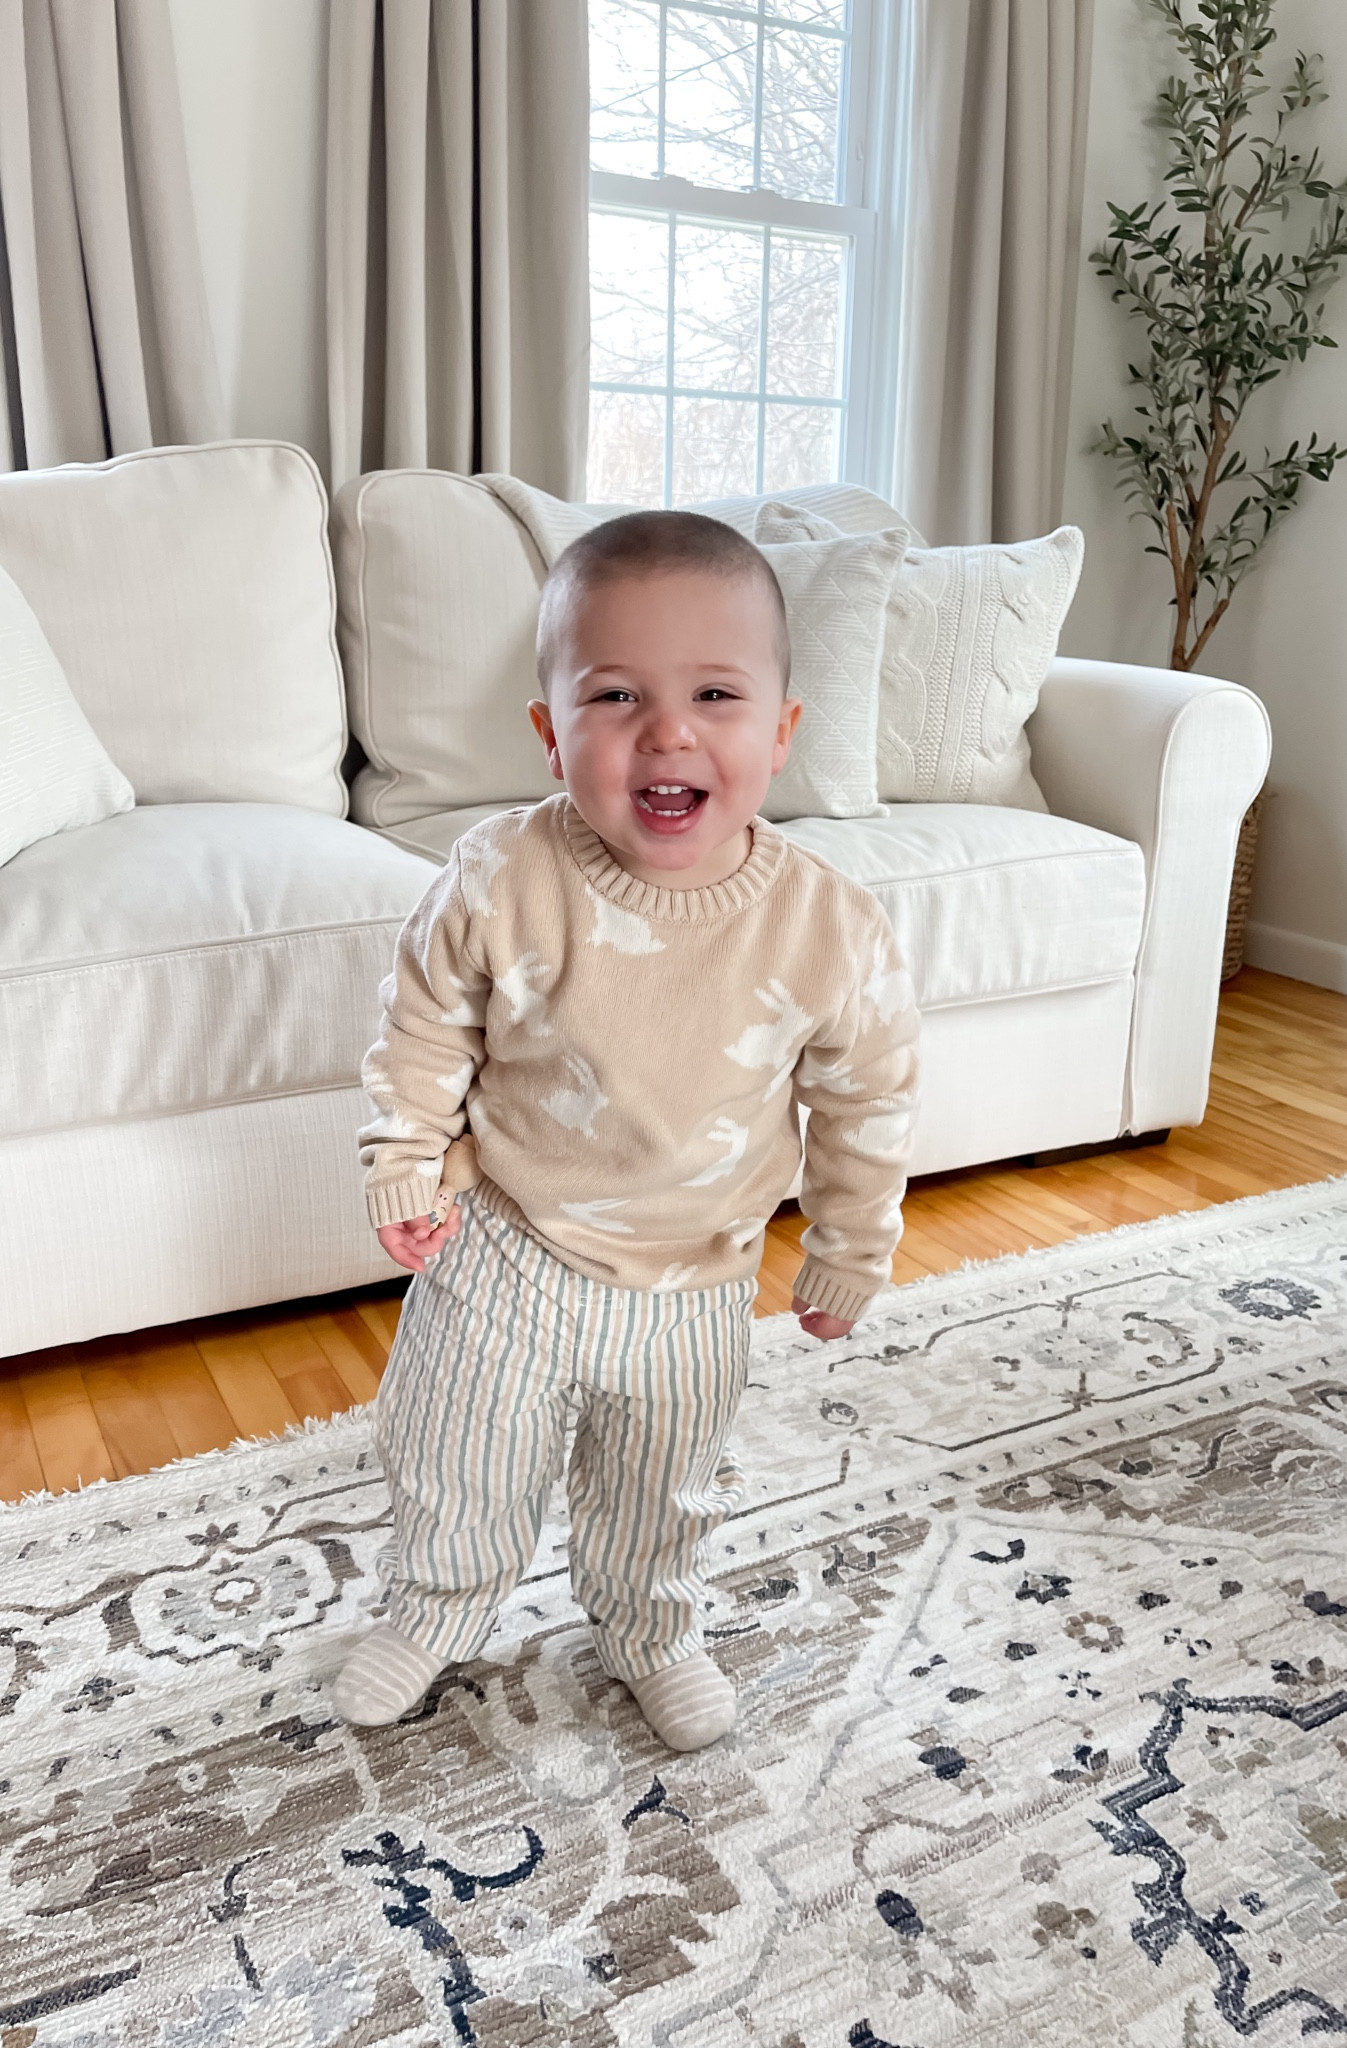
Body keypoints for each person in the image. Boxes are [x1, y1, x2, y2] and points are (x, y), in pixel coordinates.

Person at [332, 510, 920, 1750]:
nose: (668, 731)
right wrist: (402, 1153)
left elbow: (864, 1098)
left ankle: (651, 1628)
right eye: (614, 695)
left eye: (716, 692)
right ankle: (436, 1602)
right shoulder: (502, 874)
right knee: (453, 1447)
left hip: (698, 1270)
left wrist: (851, 1243)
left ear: (780, 731)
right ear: (550, 732)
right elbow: (424, 1022)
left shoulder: (830, 924)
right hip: (506, 1240)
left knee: (661, 1484)